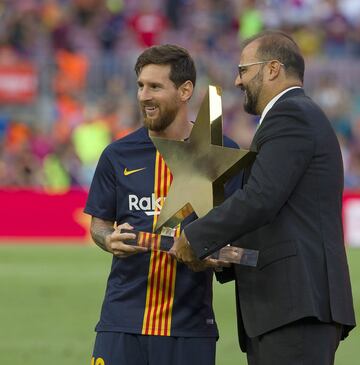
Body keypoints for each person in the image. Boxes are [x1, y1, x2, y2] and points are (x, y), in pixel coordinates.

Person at [171, 31, 356, 365]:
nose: (237, 80)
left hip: (296, 305)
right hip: (290, 306)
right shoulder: (293, 116)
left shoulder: (291, 116)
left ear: (272, 69)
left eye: (243, 70)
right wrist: (227, 256)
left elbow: (260, 199)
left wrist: (196, 237)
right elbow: (278, 212)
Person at [84, 44, 241, 365]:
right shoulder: (117, 155)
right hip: (121, 323)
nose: (143, 95)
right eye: (140, 86)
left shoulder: (223, 153)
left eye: (155, 86)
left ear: (185, 91)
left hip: (189, 327)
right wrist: (107, 239)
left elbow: (239, 237)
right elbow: (99, 225)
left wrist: (216, 256)